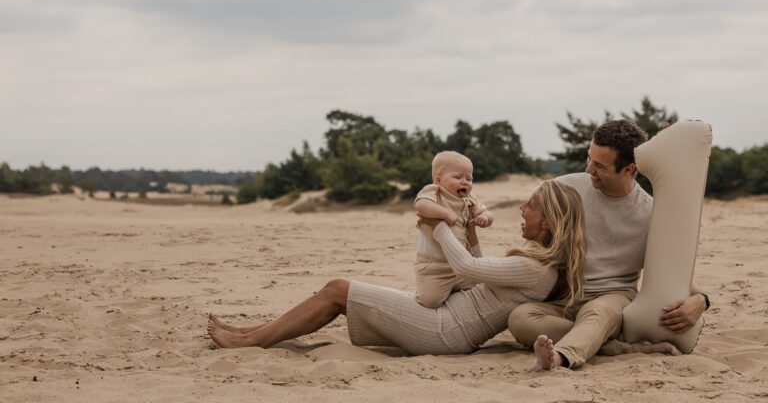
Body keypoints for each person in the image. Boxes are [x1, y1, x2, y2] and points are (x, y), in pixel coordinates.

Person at [207, 180, 586, 355]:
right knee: (339, 293)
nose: (522, 209)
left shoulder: (537, 270)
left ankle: (252, 341)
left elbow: (467, 268)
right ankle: (251, 332)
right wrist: (469, 231)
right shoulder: (537, 266)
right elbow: (476, 272)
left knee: (338, 289)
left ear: (548, 220)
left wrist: (436, 224)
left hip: (444, 331)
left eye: (530, 205)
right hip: (447, 318)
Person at [507, 120, 709, 371]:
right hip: (565, 297)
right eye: (589, 158)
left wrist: (702, 299)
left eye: (600, 165)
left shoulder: (651, 215)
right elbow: (534, 242)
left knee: (599, 313)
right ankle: (611, 346)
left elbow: (673, 270)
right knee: (520, 319)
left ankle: (560, 357)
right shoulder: (565, 188)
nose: (589, 169)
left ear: (629, 169)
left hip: (612, 297)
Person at [413, 151, 494, 308]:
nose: (465, 182)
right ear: (438, 180)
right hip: (435, 267)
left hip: (461, 264)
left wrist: (485, 217)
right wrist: (444, 213)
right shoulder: (434, 192)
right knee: (430, 300)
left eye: (469, 178)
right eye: (458, 177)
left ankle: (453, 301)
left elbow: (488, 213)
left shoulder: (469, 199)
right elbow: (421, 205)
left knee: (478, 288)